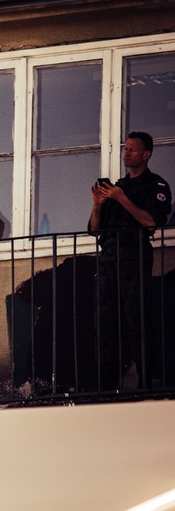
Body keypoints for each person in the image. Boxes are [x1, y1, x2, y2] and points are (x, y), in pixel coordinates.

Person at [89, 131, 171, 390]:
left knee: (139, 322)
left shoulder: (155, 185)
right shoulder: (116, 187)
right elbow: (94, 230)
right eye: (125, 149)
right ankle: (106, 386)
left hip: (133, 261)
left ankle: (146, 382)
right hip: (108, 261)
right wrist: (98, 205)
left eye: (132, 149)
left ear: (146, 155)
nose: (126, 153)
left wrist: (121, 199)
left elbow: (152, 222)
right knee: (105, 324)